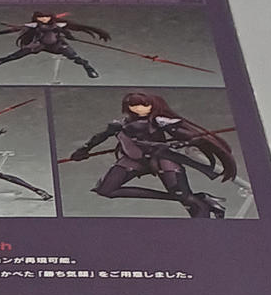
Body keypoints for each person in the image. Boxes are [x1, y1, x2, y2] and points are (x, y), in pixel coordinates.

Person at [68, 91, 236, 218]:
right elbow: (100, 137)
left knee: (184, 197)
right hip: (133, 160)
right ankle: (202, 198)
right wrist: (84, 149)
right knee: (106, 190)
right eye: (134, 105)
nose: (139, 109)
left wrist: (182, 143)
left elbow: (191, 137)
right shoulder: (118, 125)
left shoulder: (158, 121)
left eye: (144, 105)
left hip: (162, 159)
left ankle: (202, 214)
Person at [0, 12, 111, 81]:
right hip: (38, 45)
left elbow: (80, 28)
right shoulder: (33, 25)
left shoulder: (59, 24)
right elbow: (12, 30)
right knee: (8, 58)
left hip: (57, 45)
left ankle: (89, 69)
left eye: (45, 17)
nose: (43, 19)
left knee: (77, 58)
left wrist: (70, 36)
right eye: (40, 17)